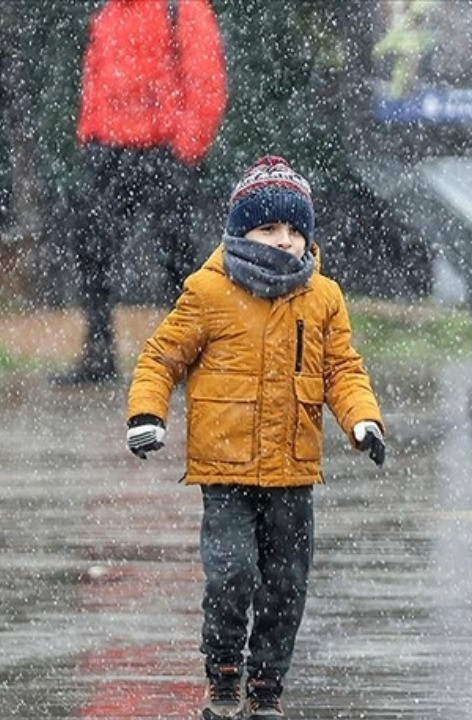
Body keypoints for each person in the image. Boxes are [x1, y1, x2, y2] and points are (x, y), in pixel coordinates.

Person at [124, 156, 387, 720]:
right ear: (240, 230)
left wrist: (362, 421)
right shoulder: (208, 291)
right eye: (269, 227)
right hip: (225, 472)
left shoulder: (323, 298)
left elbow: (343, 370)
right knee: (233, 573)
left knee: (286, 585)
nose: (284, 240)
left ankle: (267, 686)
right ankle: (222, 668)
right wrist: (147, 414)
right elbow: (161, 357)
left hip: (293, 471)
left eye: (295, 230)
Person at [56, 0, 227, 385]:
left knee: (177, 256)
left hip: (162, 150)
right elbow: (97, 76)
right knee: (91, 247)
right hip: (110, 150)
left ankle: (188, 355)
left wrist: (184, 151)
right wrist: (91, 136)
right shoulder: (110, 10)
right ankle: (99, 353)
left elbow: (206, 79)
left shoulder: (181, 7)